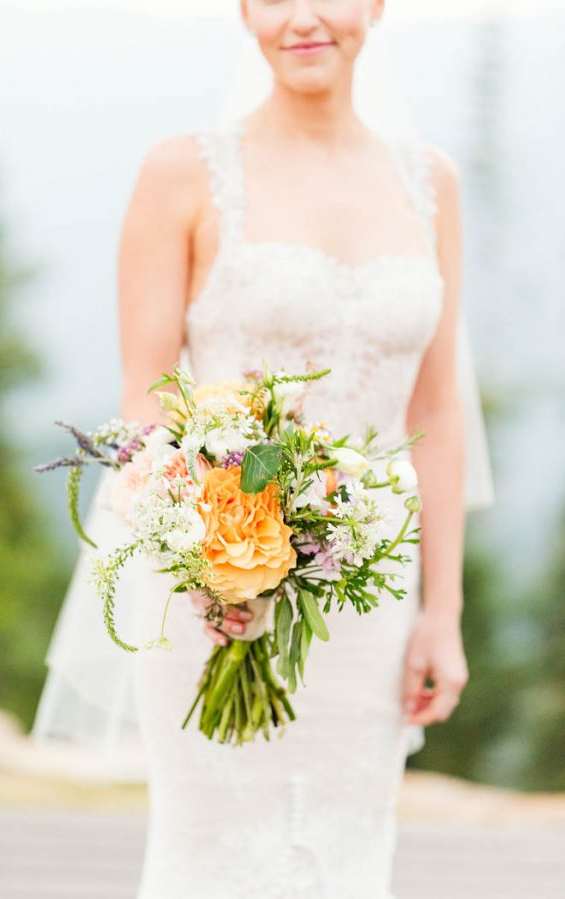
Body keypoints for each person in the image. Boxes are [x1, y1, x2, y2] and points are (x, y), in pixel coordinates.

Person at [114, 1, 469, 895]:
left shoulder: (431, 183)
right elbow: (143, 405)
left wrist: (443, 610)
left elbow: (438, 411)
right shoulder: (182, 174)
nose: (304, 18)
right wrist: (206, 568)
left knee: (347, 854)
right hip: (212, 585)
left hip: (370, 592)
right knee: (212, 856)